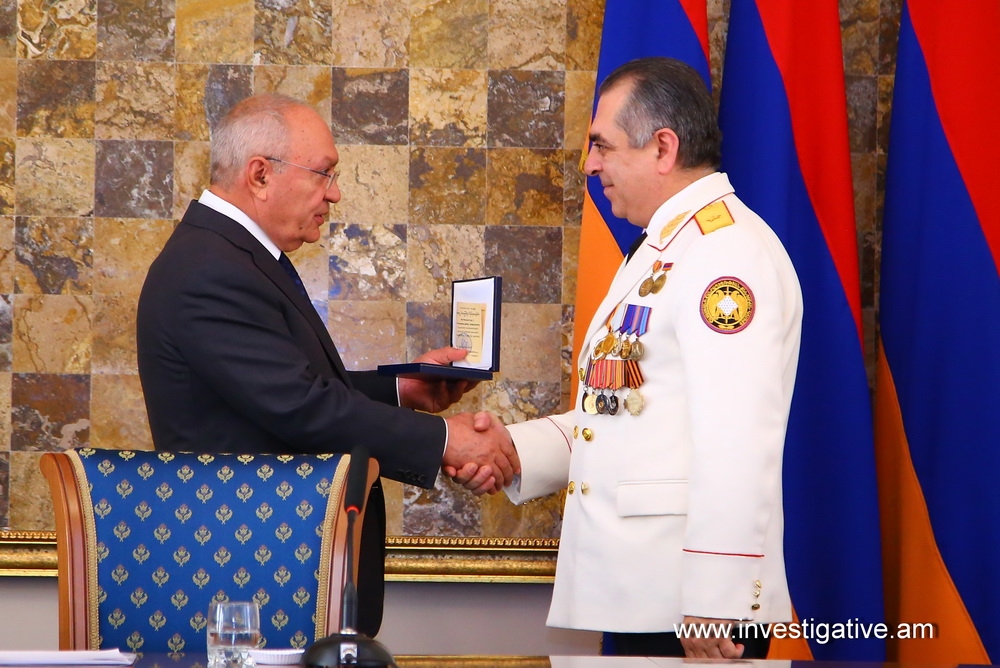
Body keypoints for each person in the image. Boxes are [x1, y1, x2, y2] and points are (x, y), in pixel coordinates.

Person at [451, 57, 803, 658]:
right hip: (646, 595)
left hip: (694, 610)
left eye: (602, 145)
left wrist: (717, 600)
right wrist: (515, 451)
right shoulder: (665, 249)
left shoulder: (726, 254)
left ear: (663, 148)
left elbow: (738, 437)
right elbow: (622, 411)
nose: (589, 164)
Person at [136, 93, 517, 637]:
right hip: (249, 576)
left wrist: (402, 389)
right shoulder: (209, 270)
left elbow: (286, 388)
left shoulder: (230, 254)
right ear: (260, 175)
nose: (334, 193)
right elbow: (300, 407)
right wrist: (444, 440)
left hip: (274, 564)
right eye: (323, 173)